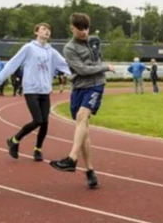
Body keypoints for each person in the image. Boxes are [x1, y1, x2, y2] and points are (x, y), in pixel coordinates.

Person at [49, 13, 114, 188]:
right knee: (82, 129)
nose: (84, 32)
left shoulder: (94, 41)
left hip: (96, 85)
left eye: (86, 28)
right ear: (72, 28)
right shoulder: (69, 48)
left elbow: (95, 62)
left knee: (82, 115)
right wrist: (105, 67)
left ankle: (71, 158)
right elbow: (83, 69)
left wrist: (100, 68)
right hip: (79, 87)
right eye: (80, 29)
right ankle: (90, 171)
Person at [0, 23, 71, 162]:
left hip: (45, 90)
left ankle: (38, 149)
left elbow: (65, 65)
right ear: (36, 32)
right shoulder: (28, 48)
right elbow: (13, 63)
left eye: (49, 29)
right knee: (38, 120)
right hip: (31, 89)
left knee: (45, 122)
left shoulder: (51, 51)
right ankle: (14, 139)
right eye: (43, 29)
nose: (47, 31)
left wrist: (83, 73)